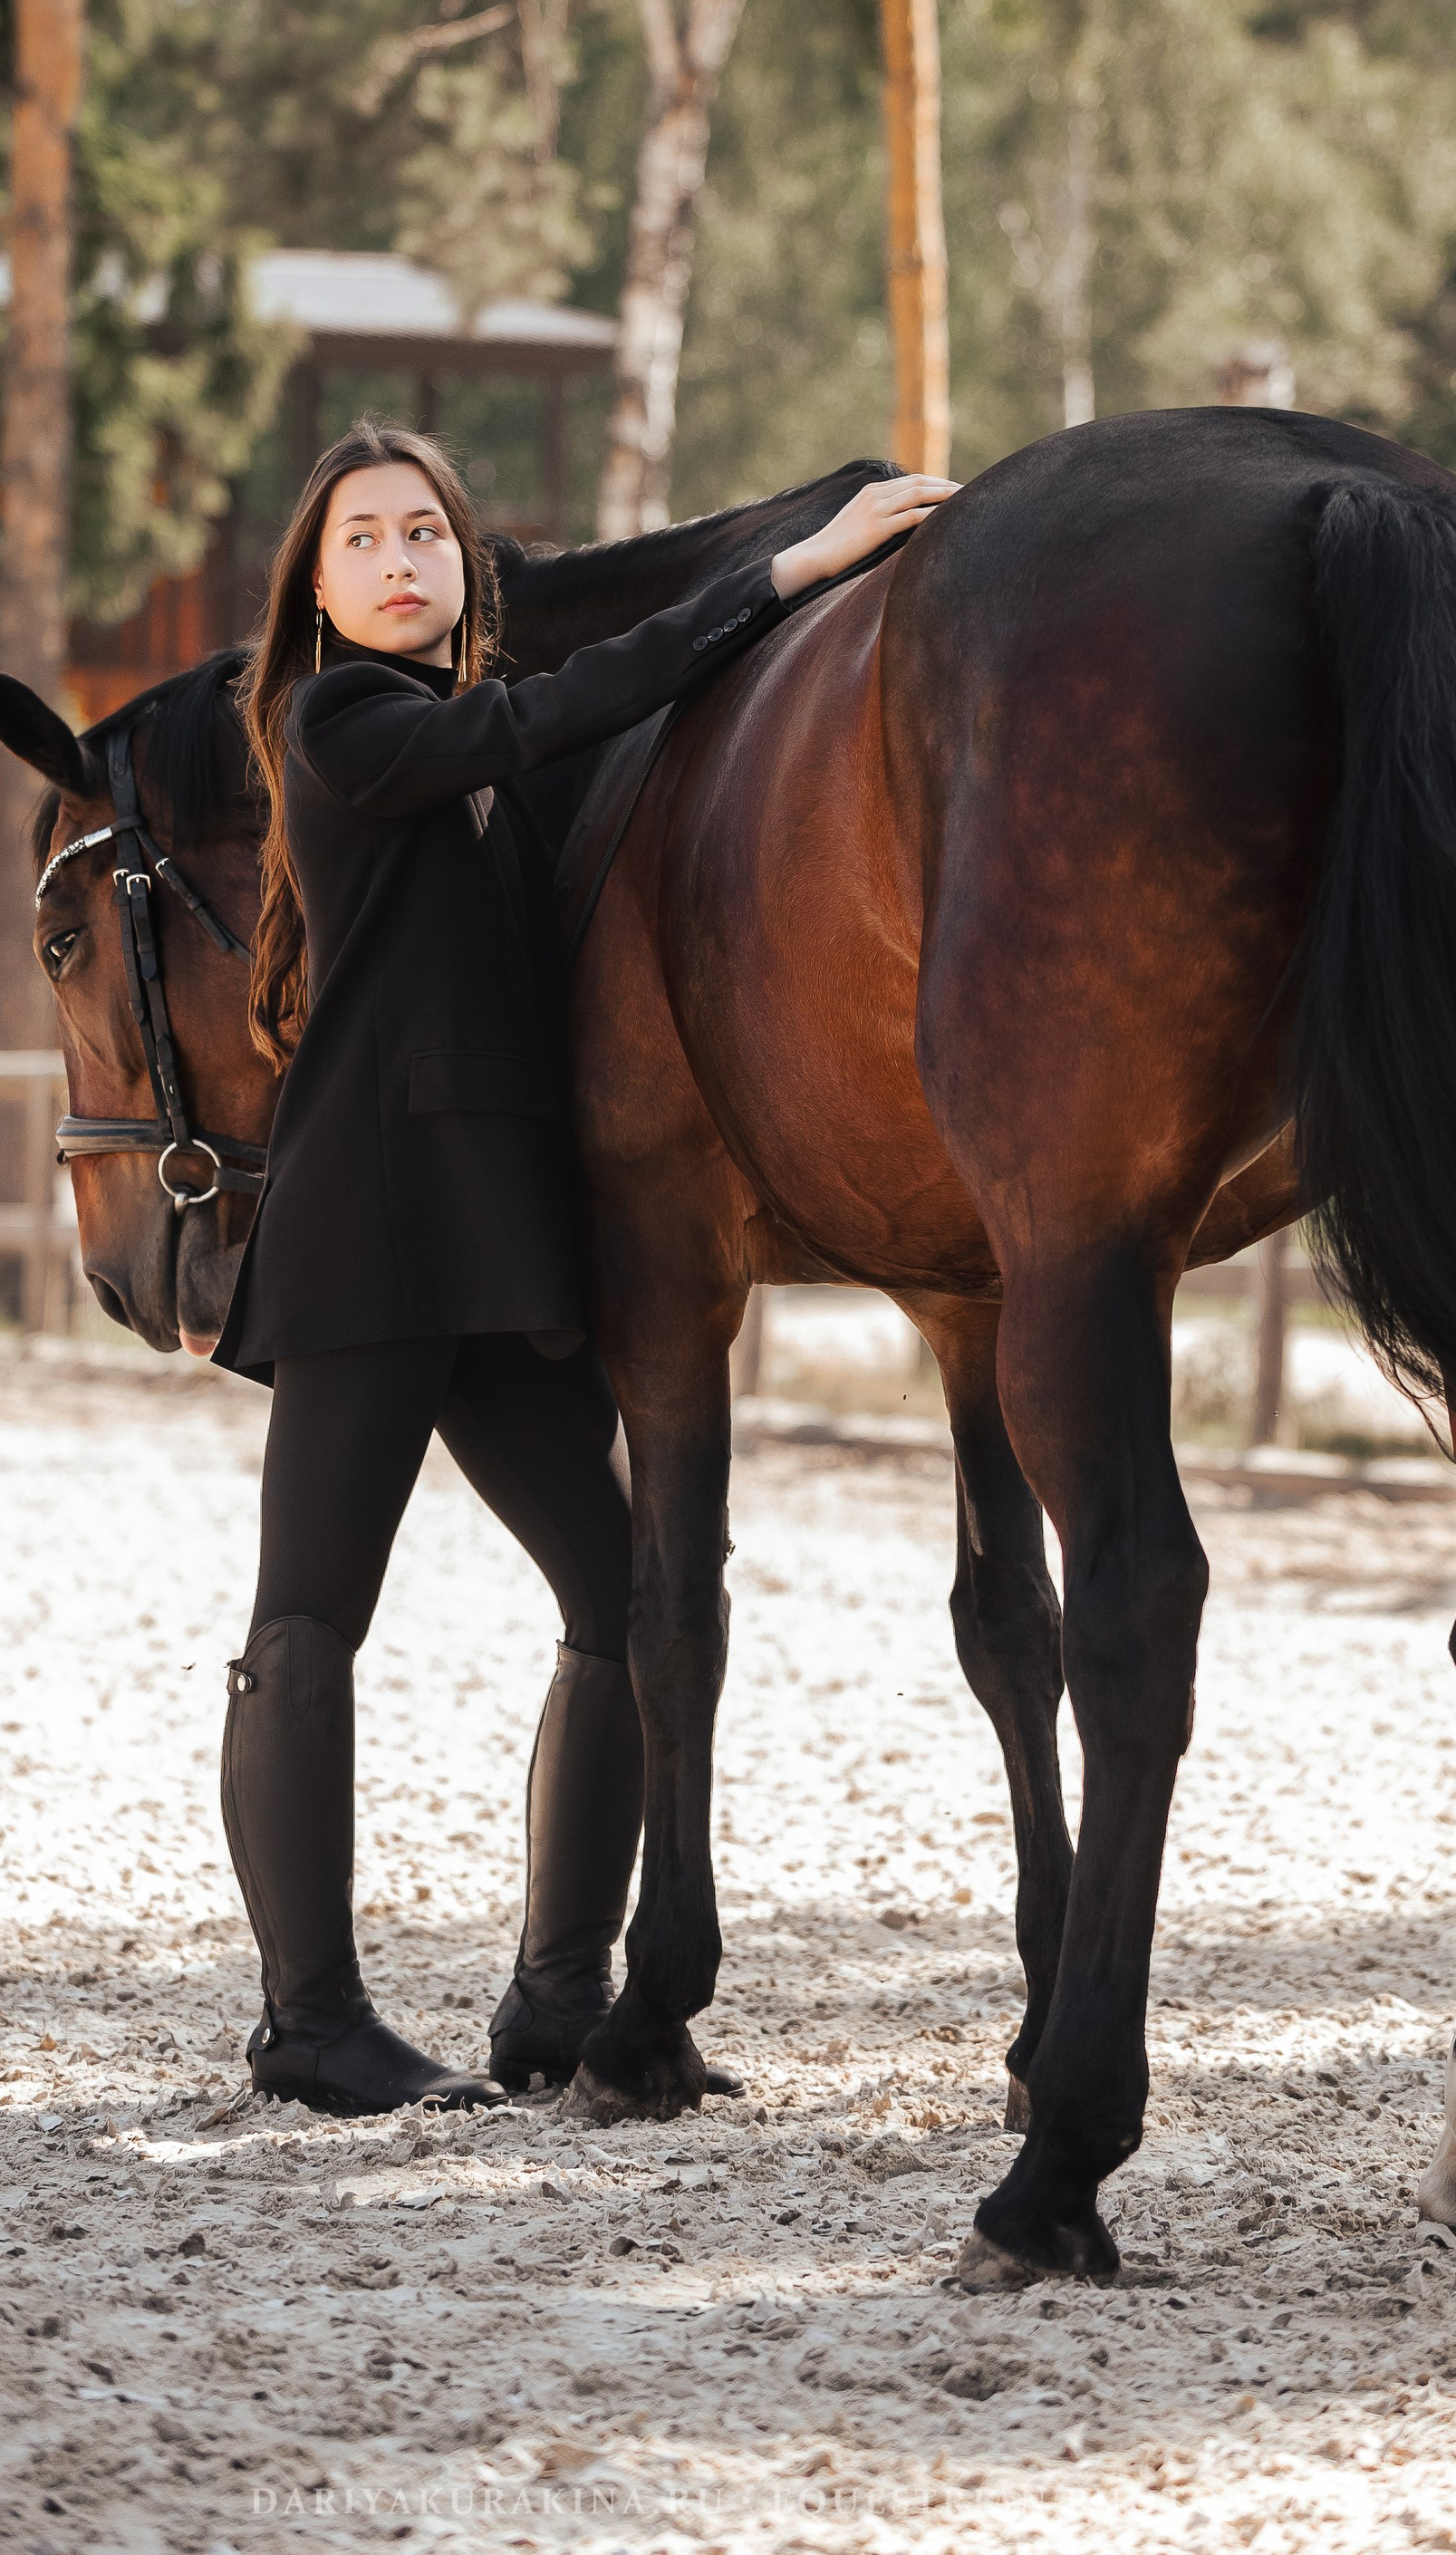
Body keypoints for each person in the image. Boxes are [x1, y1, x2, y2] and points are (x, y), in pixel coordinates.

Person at [211, 419, 956, 2116]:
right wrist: (783, 574)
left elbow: (550, 753)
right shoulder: (337, 721)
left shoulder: (478, 763)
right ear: (315, 593)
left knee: (627, 1594)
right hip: (373, 1230)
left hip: (502, 1241)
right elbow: (551, 701)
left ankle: (559, 1996)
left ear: (468, 567)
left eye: (427, 534)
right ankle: (307, 2022)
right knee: (309, 1618)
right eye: (362, 541)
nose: (400, 560)